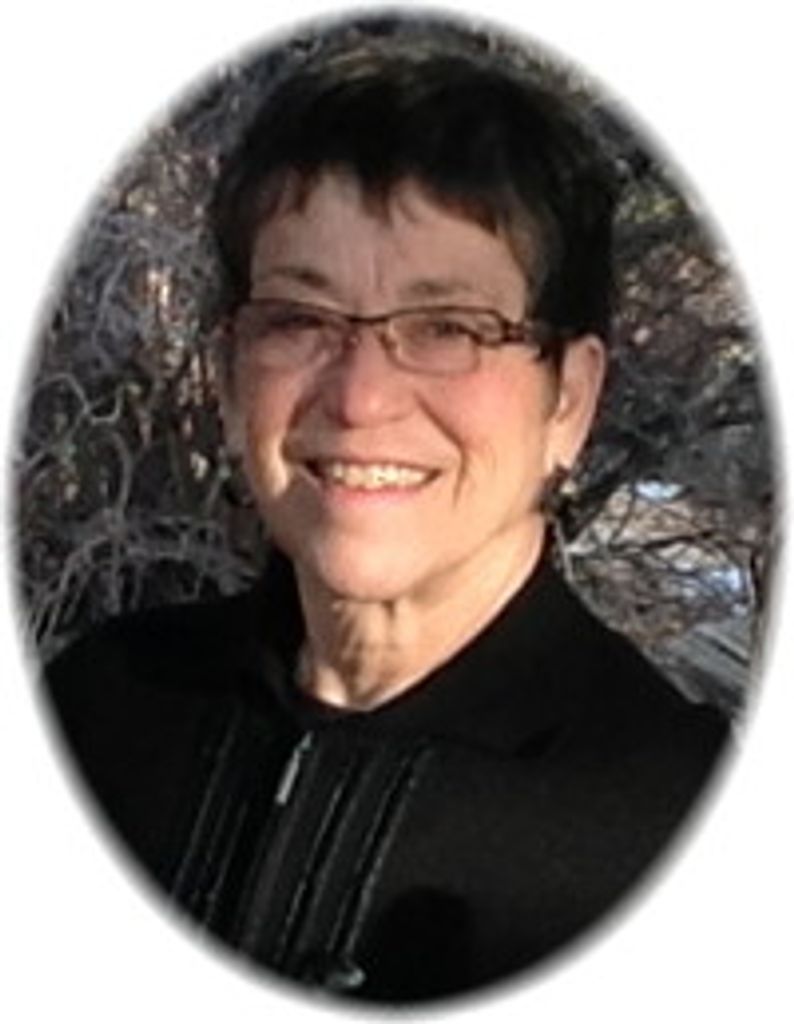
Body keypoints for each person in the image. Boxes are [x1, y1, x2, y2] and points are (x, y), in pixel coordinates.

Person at [45, 25, 729, 1004]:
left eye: (448, 326)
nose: (361, 397)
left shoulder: (681, 832)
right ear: (231, 377)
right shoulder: (102, 710)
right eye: (300, 318)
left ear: (569, 400)